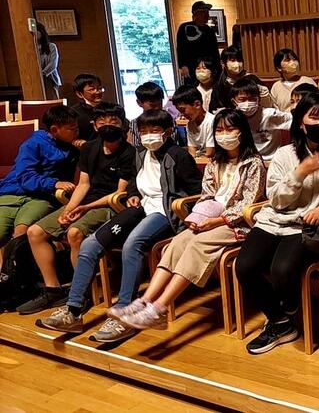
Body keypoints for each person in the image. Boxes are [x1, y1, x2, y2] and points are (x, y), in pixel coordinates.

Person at [39, 109, 202, 342]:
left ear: (167, 132)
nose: (148, 135)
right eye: (144, 131)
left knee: (132, 245)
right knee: (90, 244)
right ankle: (73, 310)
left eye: (154, 130)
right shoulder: (141, 153)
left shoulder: (178, 155)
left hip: (165, 212)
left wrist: (183, 210)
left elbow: (196, 190)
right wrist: (133, 194)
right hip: (140, 207)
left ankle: (124, 313)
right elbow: (135, 181)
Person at [116, 109, 267, 330]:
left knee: (198, 244)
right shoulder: (215, 162)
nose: (224, 134)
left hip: (239, 223)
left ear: (241, 132)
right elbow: (207, 194)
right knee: (177, 242)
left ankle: (158, 308)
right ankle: (143, 301)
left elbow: (247, 204)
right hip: (211, 218)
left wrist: (215, 221)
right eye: (219, 130)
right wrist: (199, 216)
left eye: (230, 129)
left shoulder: (253, 163)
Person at [236, 93, 319, 354]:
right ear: (301, 123)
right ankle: (281, 322)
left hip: (309, 226)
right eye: (314, 116)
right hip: (273, 220)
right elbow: (276, 200)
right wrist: (300, 172)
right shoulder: (284, 154)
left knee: (281, 270)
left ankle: (283, 315)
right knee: (245, 266)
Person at [18, 102, 136, 315]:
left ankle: (82, 293)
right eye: (102, 121)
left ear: (123, 124)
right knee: (35, 232)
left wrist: (84, 208)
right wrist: (69, 209)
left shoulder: (129, 152)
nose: (108, 125)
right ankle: (53, 289)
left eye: (113, 121)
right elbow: (83, 184)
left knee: (74, 233)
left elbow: (119, 193)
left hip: (109, 205)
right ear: (95, 125)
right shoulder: (89, 148)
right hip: (85, 202)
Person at [0, 106, 80, 247]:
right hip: (12, 193)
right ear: (54, 130)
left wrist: (83, 148)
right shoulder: (33, 144)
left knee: (21, 232)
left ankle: (16, 260)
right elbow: (25, 176)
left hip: (41, 197)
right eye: (72, 129)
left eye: (77, 128)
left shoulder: (71, 147)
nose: (77, 132)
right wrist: (53, 183)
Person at [230, 79, 292, 161]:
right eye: (242, 99)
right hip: (247, 160)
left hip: (272, 160)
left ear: (258, 100)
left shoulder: (270, 114)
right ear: (234, 102)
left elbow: (297, 122)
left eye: (252, 99)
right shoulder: (232, 119)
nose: (248, 103)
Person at [211, 46, 270, 111]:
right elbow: (214, 108)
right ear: (223, 63)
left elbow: (266, 104)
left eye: (239, 60)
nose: (237, 64)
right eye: (233, 60)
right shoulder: (220, 84)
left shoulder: (252, 79)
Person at [176, 1, 220, 85]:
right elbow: (180, 48)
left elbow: (215, 51)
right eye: (203, 12)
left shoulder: (209, 30)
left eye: (207, 12)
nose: (206, 15)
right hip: (191, 67)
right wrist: (183, 65)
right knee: (192, 88)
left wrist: (218, 68)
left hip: (208, 66)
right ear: (195, 13)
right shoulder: (185, 27)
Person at [173, 85, 215, 158]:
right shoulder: (190, 124)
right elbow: (192, 151)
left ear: (197, 104)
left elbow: (209, 153)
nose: (182, 115)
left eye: (183, 110)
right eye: (180, 111)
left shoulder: (211, 121)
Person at [270, 48, 317, 112]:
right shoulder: (276, 87)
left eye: (294, 59)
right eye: (288, 60)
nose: (293, 63)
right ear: (279, 68)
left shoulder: (307, 81)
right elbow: (275, 110)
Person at [129, 82, 166, 147]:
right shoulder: (135, 123)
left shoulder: (168, 120)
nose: (157, 108)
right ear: (139, 103)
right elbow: (137, 148)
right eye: (153, 105)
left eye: (160, 104)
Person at [70, 74, 104, 141]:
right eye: (92, 89)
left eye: (99, 88)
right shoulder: (73, 112)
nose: (97, 92)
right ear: (79, 94)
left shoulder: (110, 107)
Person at [36, 22, 61, 100]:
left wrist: (42, 74)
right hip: (36, 79)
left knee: (53, 100)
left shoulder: (51, 46)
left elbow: (53, 64)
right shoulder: (31, 47)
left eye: (37, 31)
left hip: (49, 78)